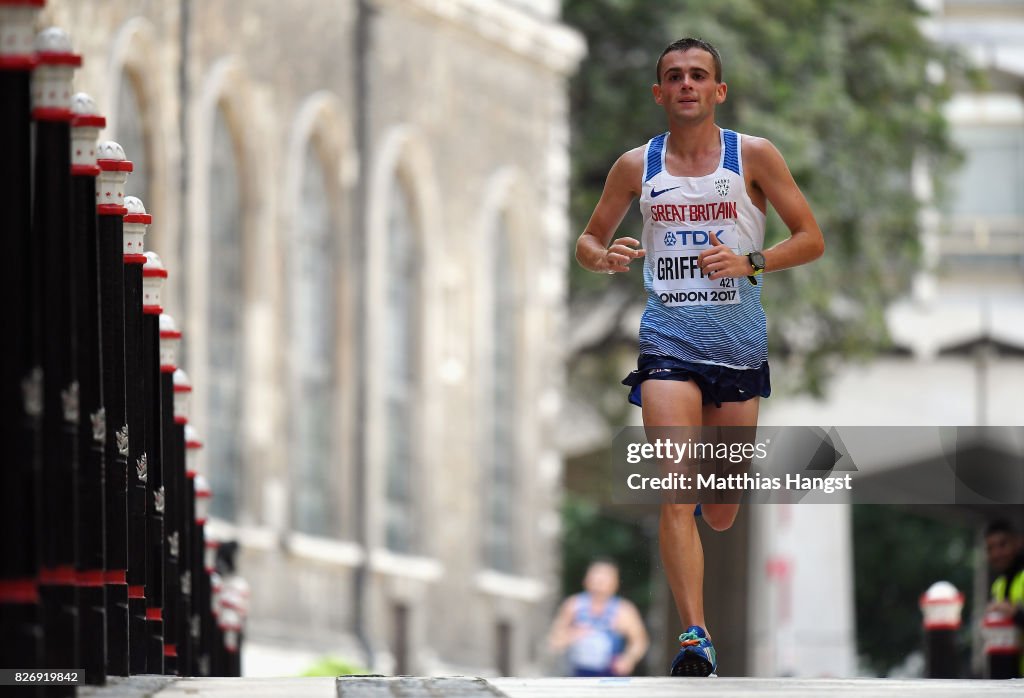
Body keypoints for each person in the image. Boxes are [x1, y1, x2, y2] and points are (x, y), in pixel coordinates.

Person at [574, 37, 824, 676]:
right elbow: (588, 239)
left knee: (721, 508)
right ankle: (695, 636)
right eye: (674, 76)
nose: (686, 84)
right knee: (675, 490)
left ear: (718, 91)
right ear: (659, 93)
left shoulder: (755, 156)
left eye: (699, 75)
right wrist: (601, 257)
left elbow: (810, 237)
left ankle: (702, 590)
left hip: (738, 345)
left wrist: (751, 260)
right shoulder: (636, 167)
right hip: (667, 340)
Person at [548, 559, 649, 676]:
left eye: (604, 580)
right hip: (576, 676)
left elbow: (640, 641)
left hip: (610, 676)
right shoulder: (573, 605)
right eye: (595, 579)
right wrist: (572, 635)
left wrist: (628, 659)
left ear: (615, 583)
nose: (599, 584)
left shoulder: (624, 610)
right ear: (586, 580)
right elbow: (554, 641)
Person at [985, 519, 1024, 677]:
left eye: (1002, 545)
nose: (996, 553)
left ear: (1019, 542)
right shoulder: (998, 585)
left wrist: (1015, 614)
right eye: (990, 548)